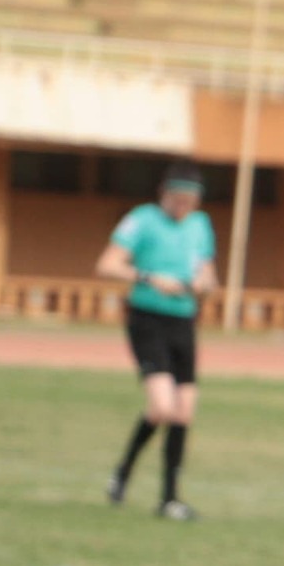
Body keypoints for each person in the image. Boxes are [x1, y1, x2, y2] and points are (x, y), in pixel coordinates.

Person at [95, 160, 215, 520]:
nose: (183, 208)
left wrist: (203, 285)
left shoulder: (200, 225)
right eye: (178, 200)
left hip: (183, 320)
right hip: (147, 319)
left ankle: (169, 498)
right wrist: (149, 278)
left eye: (190, 202)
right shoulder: (142, 220)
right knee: (162, 407)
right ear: (165, 193)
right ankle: (124, 471)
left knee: (184, 411)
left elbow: (207, 272)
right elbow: (107, 265)